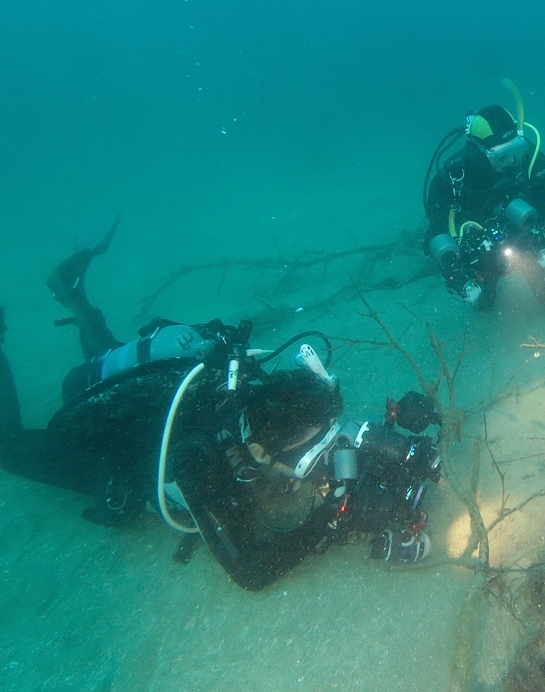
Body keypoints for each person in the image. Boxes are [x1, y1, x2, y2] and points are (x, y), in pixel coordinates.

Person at [0, 223, 442, 590]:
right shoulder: (201, 458)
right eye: (305, 455)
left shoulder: (254, 394)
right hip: (111, 444)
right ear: (257, 450)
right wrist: (327, 520)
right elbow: (252, 571)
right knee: (8, 445)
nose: (317, 463)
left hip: (154, 393)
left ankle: (75, 298)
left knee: (106, 360)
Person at [423, 81, 545, 310]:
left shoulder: (529, 158)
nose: (511, 161)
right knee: (483, 306)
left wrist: (534, 228)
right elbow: (435, 233)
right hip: (483, 254)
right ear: (477, 150)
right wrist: (457, 267)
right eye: (501, 155)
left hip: (526, 237)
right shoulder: (451, 179)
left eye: (515, 150)